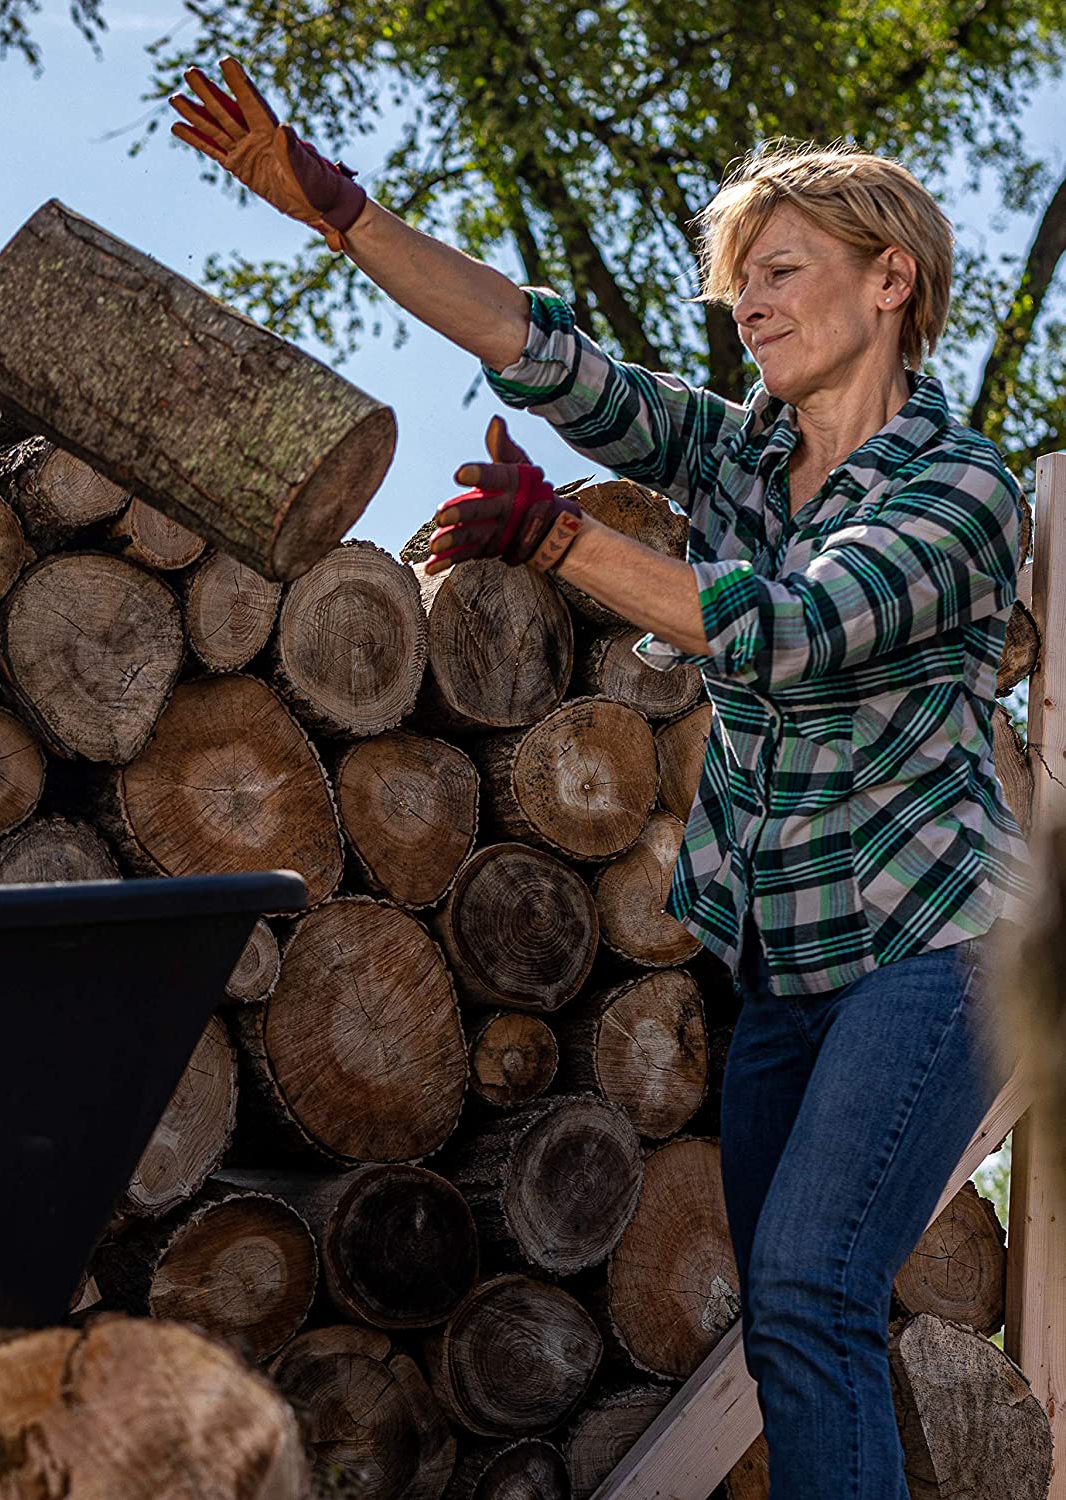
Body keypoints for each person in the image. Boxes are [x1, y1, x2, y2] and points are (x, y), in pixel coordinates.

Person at [171, 57, 1033, 1499]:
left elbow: (789, 625)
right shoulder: (746, 457)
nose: (745, 303)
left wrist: (558, 541)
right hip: (789, 970)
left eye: (779, 270)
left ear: (893, 281)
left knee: (814, 1293)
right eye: (734, 284)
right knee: (789, 1319)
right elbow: (549, 354)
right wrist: (340, 213)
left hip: (935, 950)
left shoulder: (956, 490)